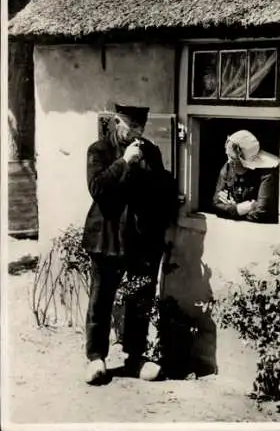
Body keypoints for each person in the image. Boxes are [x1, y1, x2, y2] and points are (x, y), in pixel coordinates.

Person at [82, 103, 176, 385]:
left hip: (141, 239)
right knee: (101, 299)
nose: (136, 133)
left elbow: (160, 189)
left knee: (140, 299)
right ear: (116, 123)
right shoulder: (98, 150)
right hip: (108, 236)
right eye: (130, 127)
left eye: (140, 128)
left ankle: (134, 357)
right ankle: (96, 358)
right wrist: (124, 161)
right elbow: (97, 188)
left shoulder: (151, 150)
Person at [212, 130, 279, 223]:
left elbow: (261, 213)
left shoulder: (266, 173)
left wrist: (230, 209)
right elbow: (216, 205)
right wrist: (239, 209)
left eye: (233, 158)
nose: (228, 161)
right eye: (227, 156)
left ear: (244, 159)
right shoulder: (227, 167)